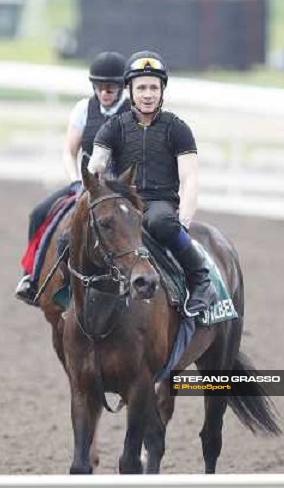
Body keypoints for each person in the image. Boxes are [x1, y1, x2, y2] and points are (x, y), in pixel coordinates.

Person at [88, 50, 216, 316]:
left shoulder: (177, 128)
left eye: (154, 88)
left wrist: (185, 221)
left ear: (162, 90)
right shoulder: (114, 127)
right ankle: (66, 288)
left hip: (159, 203)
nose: (148, 94)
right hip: (123, 202)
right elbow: (98, 160)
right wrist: (95, 169)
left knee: (160, 223)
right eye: (142, 88)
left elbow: (190, 179)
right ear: (130, 91)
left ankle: (201, 279)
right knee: (74, 232)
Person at [15, 51, 131, 305]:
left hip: (120, 189)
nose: (104, 93)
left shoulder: (133, 111)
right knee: (39, 213)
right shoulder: (83, 109)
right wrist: (76, 181)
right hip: (86, 186)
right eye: (99, 88)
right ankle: (32, 278)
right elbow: (69, 151)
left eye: (110, 89)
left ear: (122, 87)